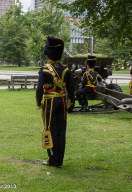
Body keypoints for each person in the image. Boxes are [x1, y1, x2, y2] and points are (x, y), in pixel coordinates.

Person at [36, 36, 74, 168]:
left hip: (49, 102)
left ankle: (52, 159)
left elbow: (39, 89)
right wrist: (69, 101)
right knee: (61, 132)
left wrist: (38, 103)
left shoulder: (44, 69)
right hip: (62, 102)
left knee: (49, 129)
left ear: (48, 53)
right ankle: (59, 161)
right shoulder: (65, 70)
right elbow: (71, 88)